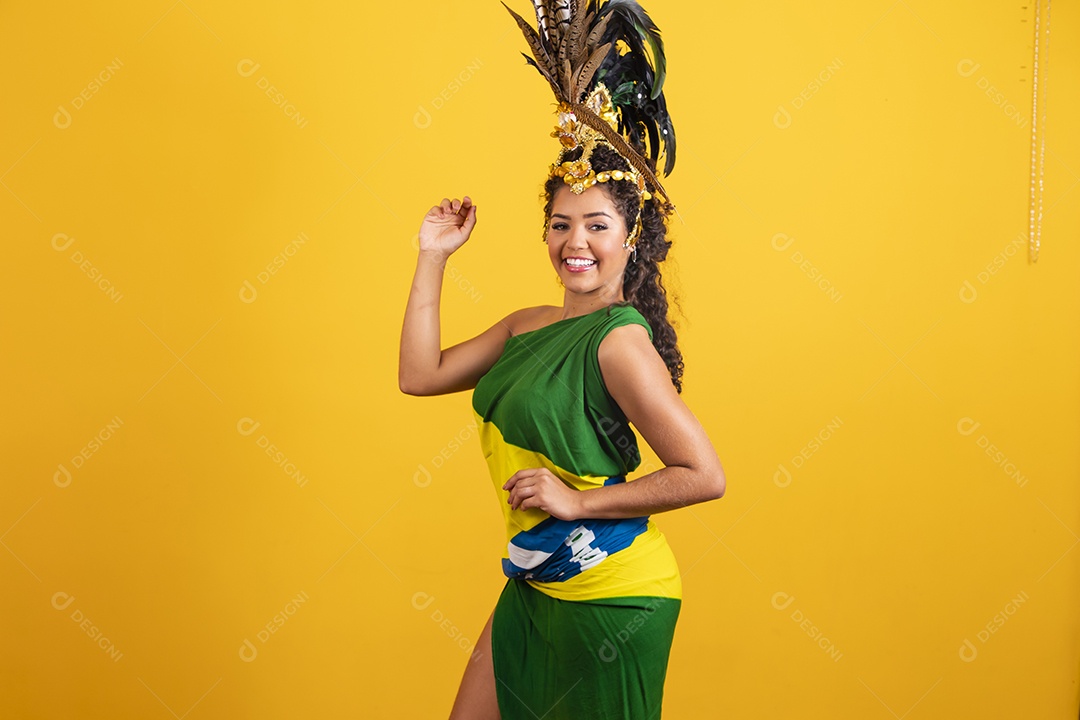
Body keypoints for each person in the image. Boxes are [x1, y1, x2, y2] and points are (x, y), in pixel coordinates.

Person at [398, 2, 726, 717]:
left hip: (609, 590)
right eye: (561, 223)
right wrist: (433, 258)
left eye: (598, 225)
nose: (576, 241)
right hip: (535, 575)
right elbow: (419, 377)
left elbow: (705, 475)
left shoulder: (618, 343)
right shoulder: (527, 325)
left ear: (631, 238)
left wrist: (577, 500)